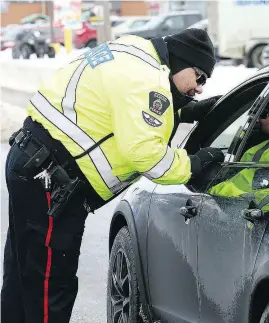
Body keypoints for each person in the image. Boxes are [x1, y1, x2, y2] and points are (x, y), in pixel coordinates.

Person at [1, 28, 225, 323]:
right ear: (184, 62)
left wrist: (181, 110)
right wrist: (194, 164)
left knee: (23, 271)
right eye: (200, 78)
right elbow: (149, 157)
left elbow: (117, 104)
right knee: (50, 283)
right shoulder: (149, 81)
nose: (199, 88)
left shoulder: (131, 50)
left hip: (29, 159)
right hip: (52, 178)